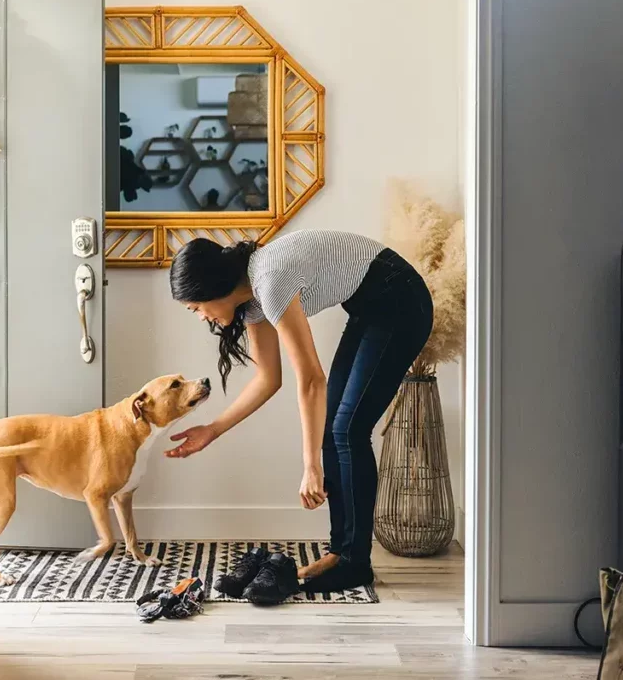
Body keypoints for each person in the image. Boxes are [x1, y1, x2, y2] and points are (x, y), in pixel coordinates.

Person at [167, 229, 433, 593]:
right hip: (371, 308)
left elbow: (310, 380)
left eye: (195, 308)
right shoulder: (252, 299)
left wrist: (311, 467)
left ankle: (356, 564)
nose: (200, 317)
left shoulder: (269, 280)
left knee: (348, 430)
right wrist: (212, 429)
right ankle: (342, 553)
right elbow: (269, 378)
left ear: (211, 287)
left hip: (401, 301)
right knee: (333, 426)